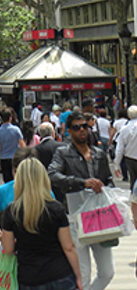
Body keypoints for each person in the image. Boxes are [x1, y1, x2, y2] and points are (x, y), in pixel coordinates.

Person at [49, 111, 114, 290]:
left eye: (85, 126)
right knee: (83, 274)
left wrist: (105, 186)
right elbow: (52, 175)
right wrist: (82, 183)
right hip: (76, 216)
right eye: (77, 128)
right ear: (69, 131)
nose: (82, 131)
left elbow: (109, 179)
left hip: (99, 216)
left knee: (107, 272)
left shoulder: (98, 154)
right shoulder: (63, 153)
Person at [2, 157, 82, 290]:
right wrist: (78, 276)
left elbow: (8, 249)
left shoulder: (12, 211)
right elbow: (69, 247)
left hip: (29, 277)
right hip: (59, 274)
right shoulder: (56, 208)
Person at [0, 109, 25, 183]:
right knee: (17, 178)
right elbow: (22, 144)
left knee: (7, 180)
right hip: (15, 157)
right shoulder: (16, 130)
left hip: (4, 158)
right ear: (10, 118)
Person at [114, 105, 137, 188]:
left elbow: (119, 148)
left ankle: (134, 198)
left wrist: (117, 164)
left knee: (133, 180)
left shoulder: (124, 129)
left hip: (130, 158)